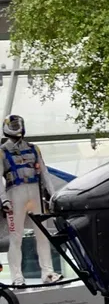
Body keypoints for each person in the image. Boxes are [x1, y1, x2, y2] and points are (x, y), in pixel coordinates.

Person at [3, 114, 59, 285]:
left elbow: (44, 172)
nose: (16, 127)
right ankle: (17, 277)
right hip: (14, 194)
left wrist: (53, 194)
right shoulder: (2, 151)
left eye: (17, 124)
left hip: (35, 192)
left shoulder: (34, 148)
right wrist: (3, 199)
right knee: (16, 237)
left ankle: (48, 273)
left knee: (42, 234)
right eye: (12, 125)